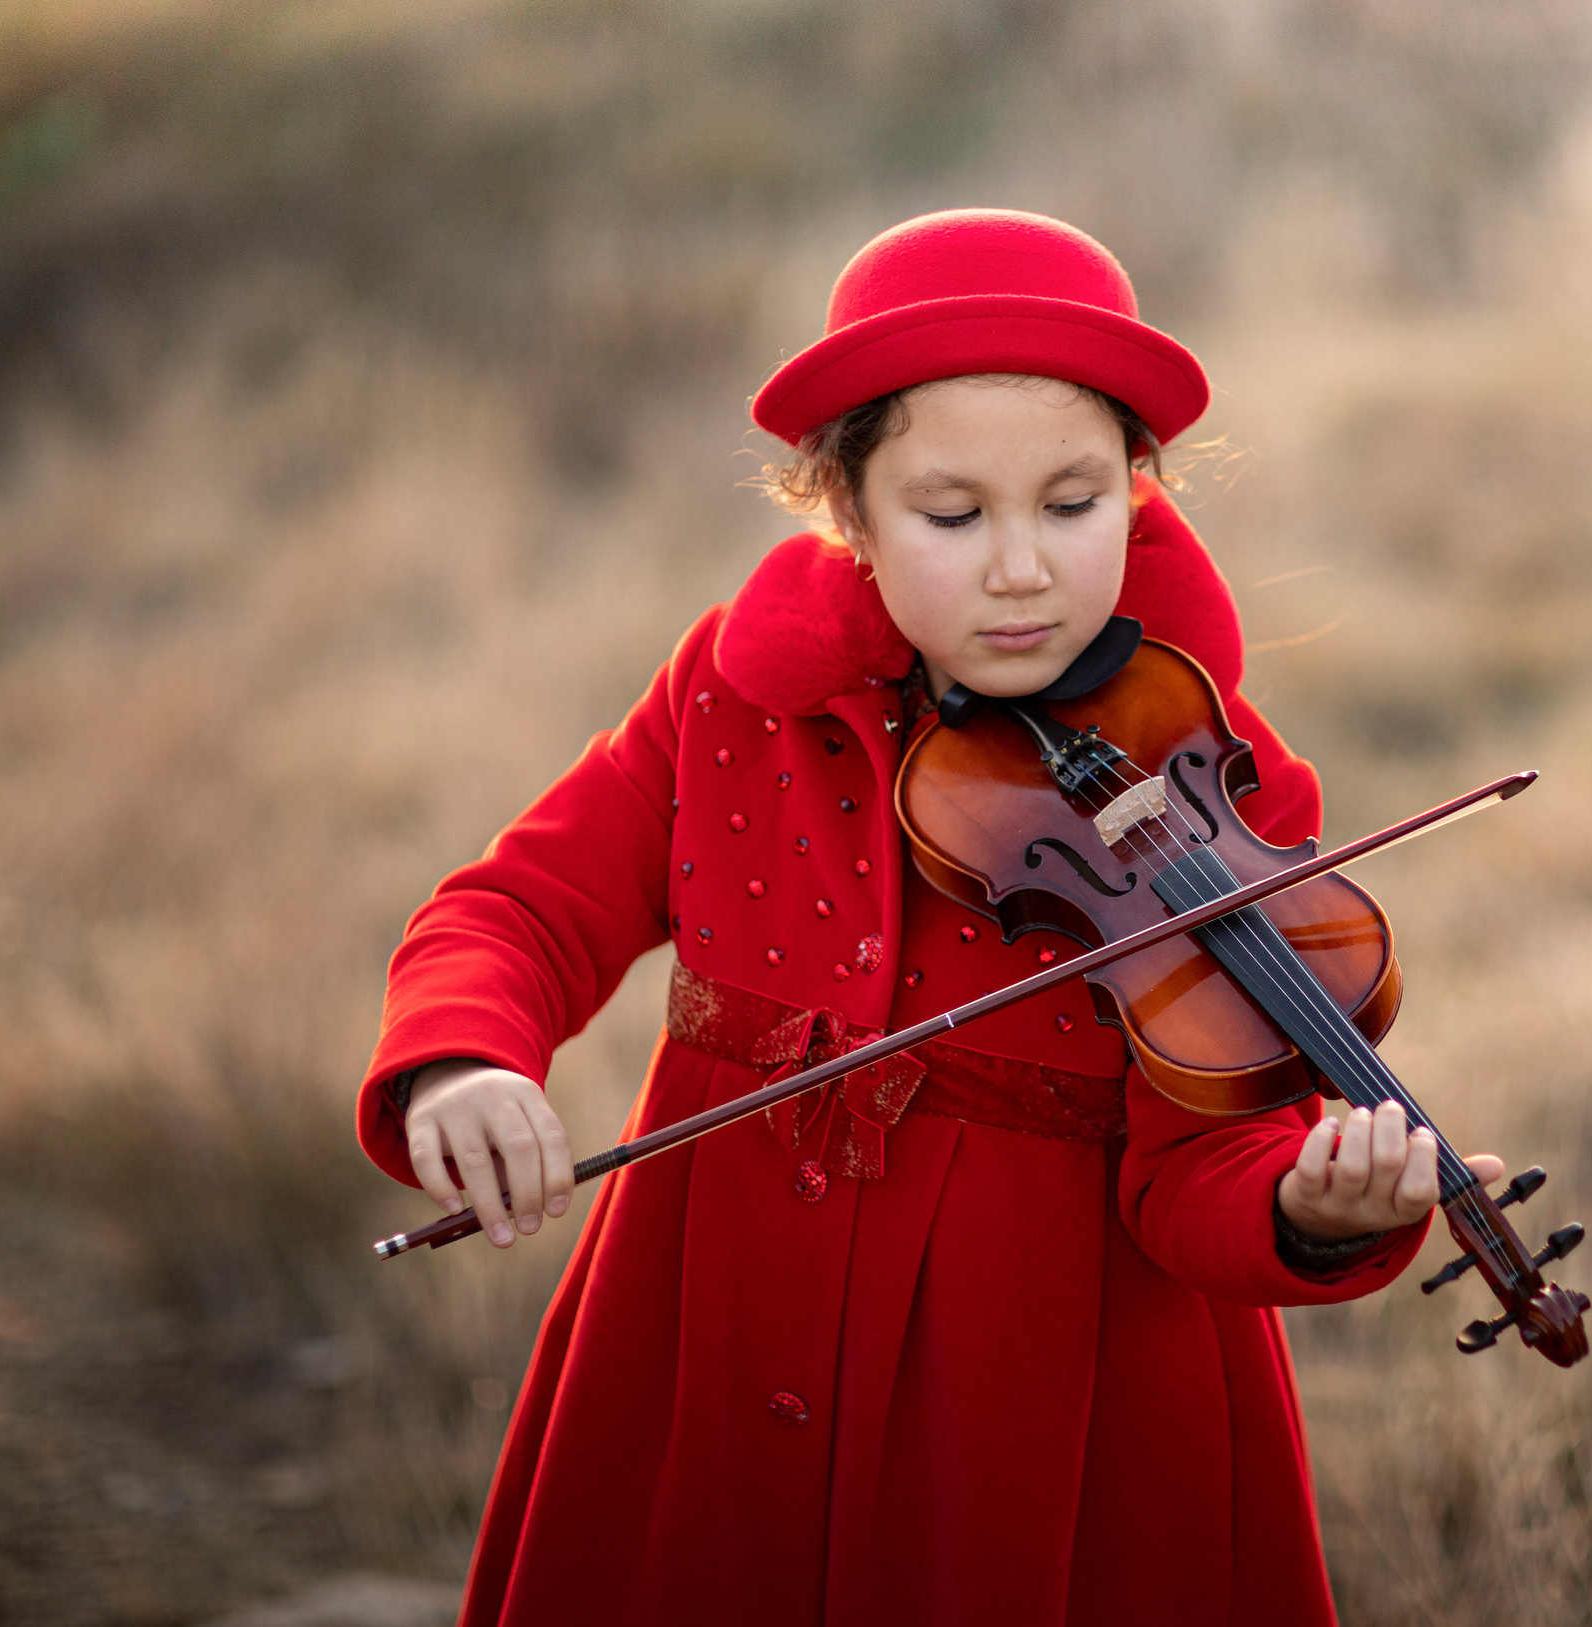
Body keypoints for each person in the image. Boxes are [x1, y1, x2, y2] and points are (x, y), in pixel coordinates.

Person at [355, 208, 1505, 1626]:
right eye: (953, 517)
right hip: (713, 1336)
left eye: (1074, 506)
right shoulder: (732, 704)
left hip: (1039, 1411)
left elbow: (1198, 1163)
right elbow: (519, 907)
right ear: (843, 509)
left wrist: (1306, 1208)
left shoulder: (1212, 775)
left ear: (1140, 489)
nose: (1021, 568)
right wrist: (468, 1057)